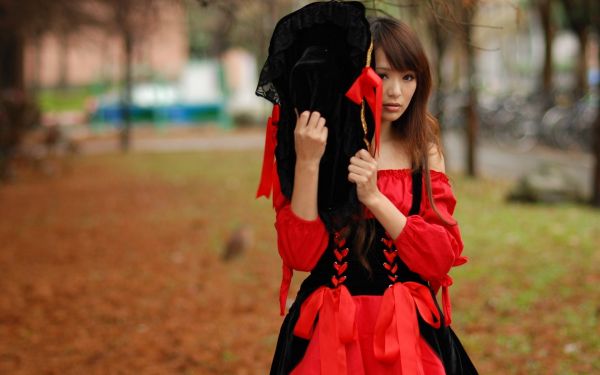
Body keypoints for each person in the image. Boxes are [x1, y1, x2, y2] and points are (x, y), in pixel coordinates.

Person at [266, 12, 478, 375]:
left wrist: (376, 199)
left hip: (407, 337)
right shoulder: (315, 144)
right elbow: (300, 255)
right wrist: (308, 162)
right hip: (328, 335)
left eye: (408, 76)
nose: (396, 91)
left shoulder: (422, 150)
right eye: (383, 75)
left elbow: (441, 258)